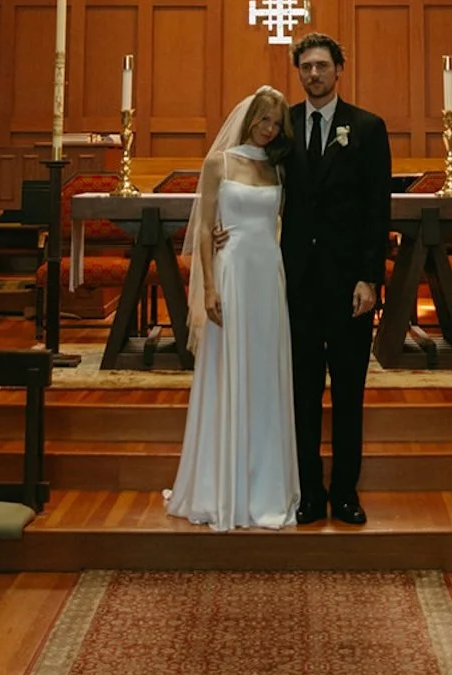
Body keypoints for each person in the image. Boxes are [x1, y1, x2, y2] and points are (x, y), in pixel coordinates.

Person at [165, 86, 299, 530]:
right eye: (263, 120)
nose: (268, 129)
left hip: (269, 275)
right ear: (248, 118)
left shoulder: (277, 167)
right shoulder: (218, 163)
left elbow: (282, 221)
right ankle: (221, 484)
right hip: (233, 273)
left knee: (265, 372)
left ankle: (265, 483)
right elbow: (204, 228)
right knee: (229, 371)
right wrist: (208, 289)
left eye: (276, 123)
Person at [281, 31, 392, 527]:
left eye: (322, 65)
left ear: (339, 70)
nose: (314, 74)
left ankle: (346, 492)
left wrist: (370, 278)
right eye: (306, 67)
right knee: (302, 393)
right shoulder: (281, 127)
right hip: (297, 285)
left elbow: (377, 210)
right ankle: (309, 492)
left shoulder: (367, 128)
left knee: (348, 392)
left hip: (349, 286)